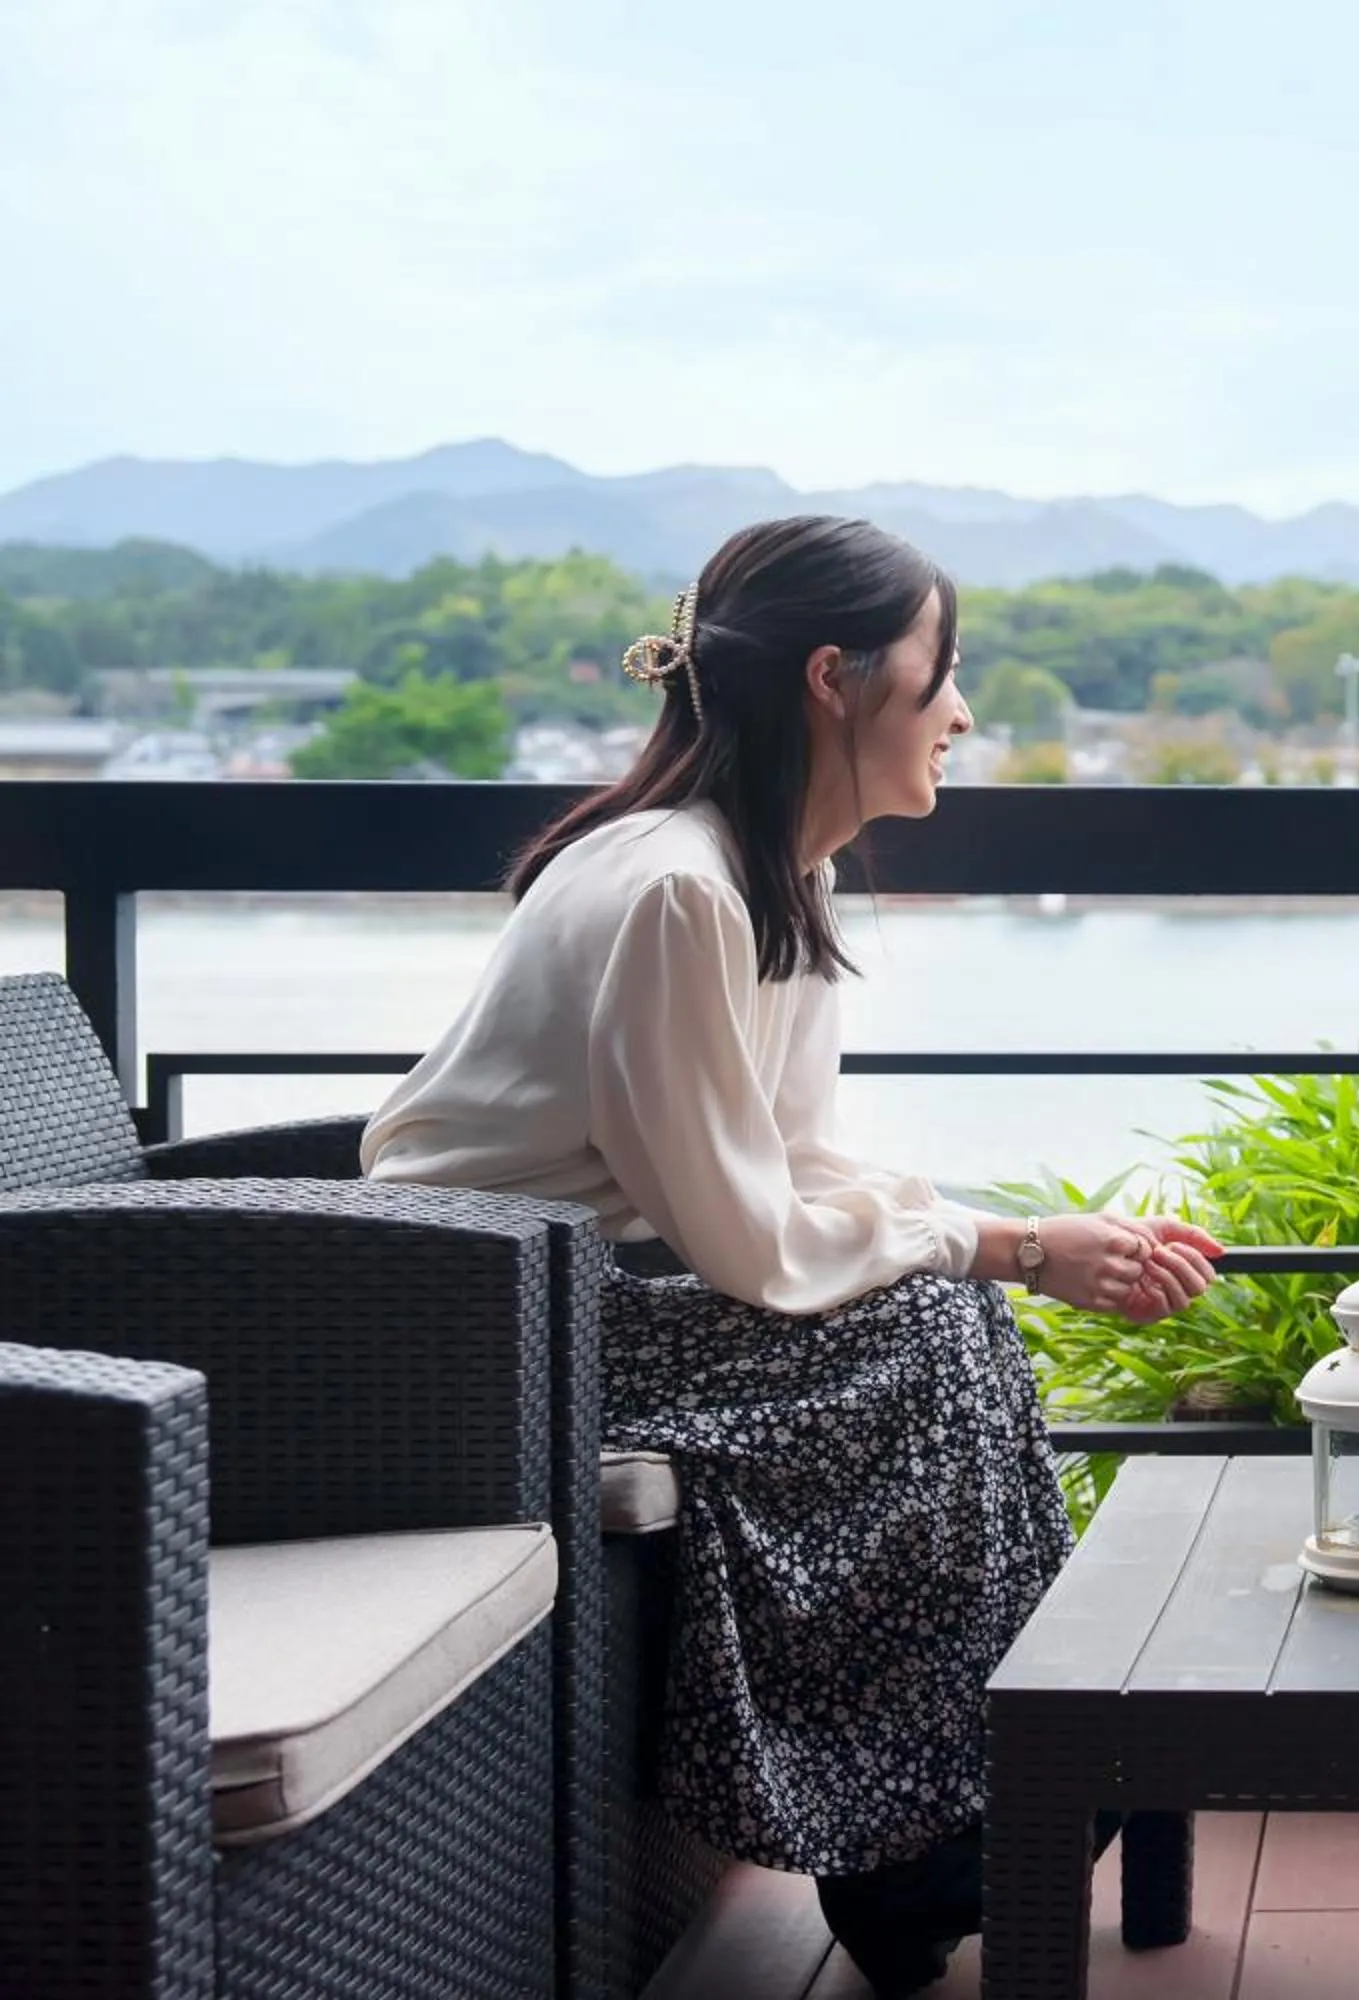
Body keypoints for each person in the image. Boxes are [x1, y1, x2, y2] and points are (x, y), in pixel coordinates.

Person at [363, 515, 1224, 1996]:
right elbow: (754, 1238)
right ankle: (925, 1830)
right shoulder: (677, 892)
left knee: (944, 1327)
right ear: (835, 680)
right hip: (482, 1329)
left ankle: (961, 1798)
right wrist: (1004, 1246)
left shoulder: (766, 879)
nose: (962, 713)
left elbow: (783, 1160)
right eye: (943, 674)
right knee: (933, 1334)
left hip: (596, 1297)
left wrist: (1008, 1242)